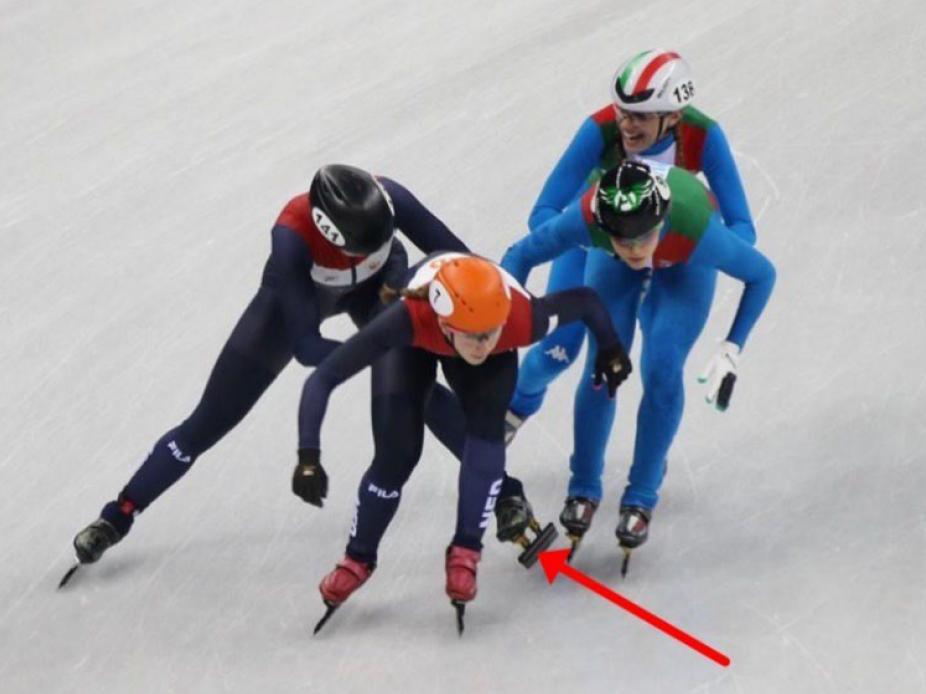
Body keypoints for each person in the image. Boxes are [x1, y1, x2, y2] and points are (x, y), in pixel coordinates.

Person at [63, 165, 471, 584]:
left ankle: (501, 491)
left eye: (380, 240)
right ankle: (118, 515)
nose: (370, 250)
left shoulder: (391, 198)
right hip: (303, 298)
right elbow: (307, 347)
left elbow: (464, 261)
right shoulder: (291, 235)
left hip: (381, 285)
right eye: (362, 248)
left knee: (412, 390)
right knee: (210, 419)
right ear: (329, 233)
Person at [293, 253, 631, 631]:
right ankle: (358, 557)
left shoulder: (522, 319)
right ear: (445, 323)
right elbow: (322, 379)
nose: (482, 345)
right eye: (474, 335)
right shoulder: (404, 319)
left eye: (489, 333)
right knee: (395, 455)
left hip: (475, 332)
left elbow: (586, 301)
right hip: (414, 342)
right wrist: (308, 455)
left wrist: (611, 348)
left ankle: (465, 551)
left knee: (486, 431)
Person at [501, 159, 776, 570]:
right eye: (622, 239)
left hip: (685, 262)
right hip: (611, 263)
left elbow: (762, 274)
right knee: (601, 367)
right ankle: (583, 486)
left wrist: (732, 347)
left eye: (643, 237)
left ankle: (642, 493)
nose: (633, 250)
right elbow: (520, 255)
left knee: (664, 366)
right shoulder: (587, 218)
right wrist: (504, 321)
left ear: (661, 219)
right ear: (603, 226)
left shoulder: (697, 229)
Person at [507, 49, 757, 446]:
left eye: (639, 115)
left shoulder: (705, 135)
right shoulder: (600, 128)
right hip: (596, 236)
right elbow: (545, 212)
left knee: (662, 361)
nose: (625, 123)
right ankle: (517, 405)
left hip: (660, 238)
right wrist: (603, 241)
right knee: (560, 347)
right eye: (621, 111)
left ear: (673, 116)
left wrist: (693, 247)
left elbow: (742, 229)